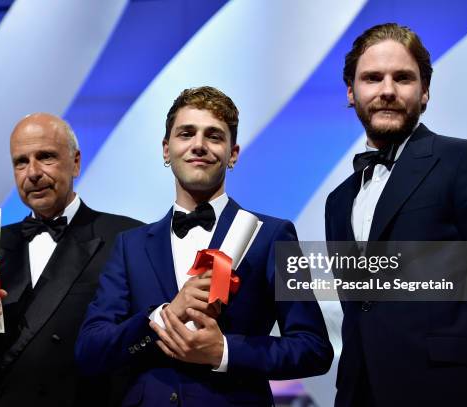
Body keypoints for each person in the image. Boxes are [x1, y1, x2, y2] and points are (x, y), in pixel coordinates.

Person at [76, 86, 333, 406]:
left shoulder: (273, 235)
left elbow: (313, 348)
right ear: (166, 149)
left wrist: (224, 351)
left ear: (233, 153)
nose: (199, 145)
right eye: (186, 133)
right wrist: (162, 316)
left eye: (214, 136)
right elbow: (90, 351)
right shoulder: (131, 246)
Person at [325, 23, 467, 406]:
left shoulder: (464, 160)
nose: (387, 90)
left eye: (402, 78)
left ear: (425, 92)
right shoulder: (338, 201)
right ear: (351, 93)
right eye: (372, 78)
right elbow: (357, 312)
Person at [0, 113, 143, 406]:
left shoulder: (126, 238)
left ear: (75, 162)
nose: (32, 172)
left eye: (45, 157)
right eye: (20, 162)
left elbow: (140, 346)